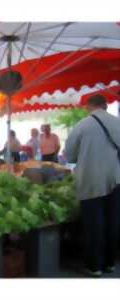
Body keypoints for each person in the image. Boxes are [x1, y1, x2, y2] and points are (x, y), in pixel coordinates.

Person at [65, 95, 120, 277]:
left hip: (91, 180)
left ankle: (95, 266)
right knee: (113, 221)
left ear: (89, 107)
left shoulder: (82, 126)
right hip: (116, 178)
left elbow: (70, 156)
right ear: (104, 105)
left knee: (94, 224)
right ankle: (110, 263)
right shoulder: (117, 123)